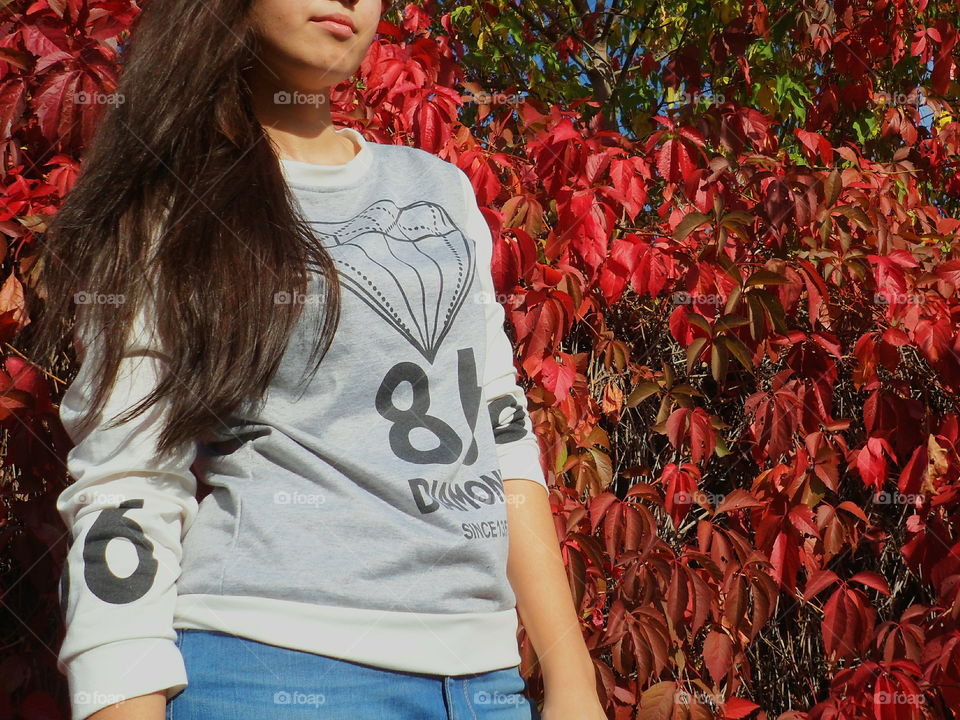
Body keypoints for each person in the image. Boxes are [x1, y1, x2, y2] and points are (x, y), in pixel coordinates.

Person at [31, 1, 607, 718]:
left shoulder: (440, 191)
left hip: (485, 684)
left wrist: (571, 677)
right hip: (267, 670)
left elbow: (498, 428)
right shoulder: (170, 204)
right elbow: (128, 480)